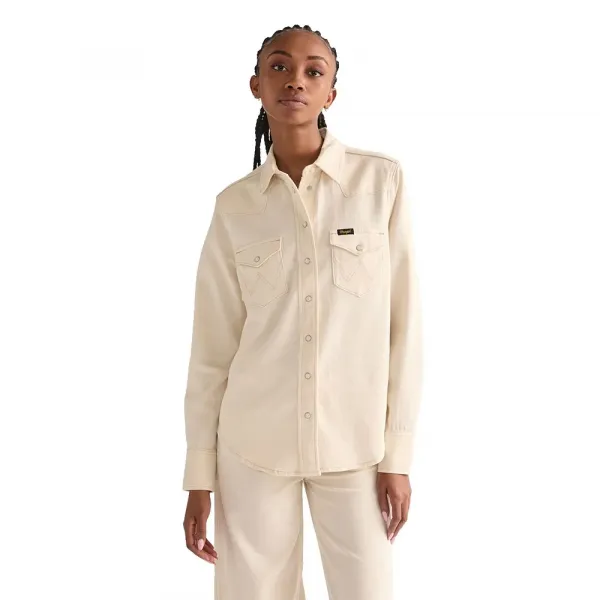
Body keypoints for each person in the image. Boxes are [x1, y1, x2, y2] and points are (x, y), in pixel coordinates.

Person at [181, 24, 423, 600]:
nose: (296, 80)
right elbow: (212, 348)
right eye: (279, 67)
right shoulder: (235, 206)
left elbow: (404, 327)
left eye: (314, 71)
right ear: (256, 86)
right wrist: (199, 474)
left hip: (356, 445)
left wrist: (398, 454)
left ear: (330, 93)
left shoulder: (379, 182)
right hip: (252, 446)